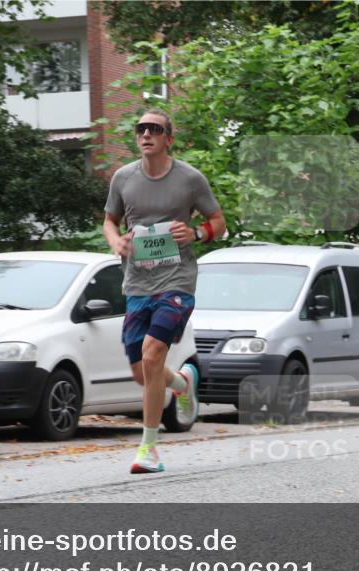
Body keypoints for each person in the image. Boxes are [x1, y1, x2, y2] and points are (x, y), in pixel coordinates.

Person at [103, 109, 227, 473]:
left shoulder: (190, 179)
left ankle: (149, 450)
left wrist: (197, 234)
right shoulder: (123, 178)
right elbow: (109, 221)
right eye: (140, 129)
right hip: (137, 283)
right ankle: (183, 382)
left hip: (177, 281)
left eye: (154, 129)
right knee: (143, 373)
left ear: (168, 138)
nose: (145, 134)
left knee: (153, 354)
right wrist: (116, 242)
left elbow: (218, 222)